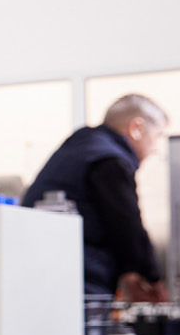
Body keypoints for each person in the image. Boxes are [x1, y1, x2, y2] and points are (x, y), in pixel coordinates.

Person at [22, 94, 170, 301]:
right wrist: (153, 279)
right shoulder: (109, 159)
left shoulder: (82, 146)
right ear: (136, 128)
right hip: (82, 277)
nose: (155, 148)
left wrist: (129, 270)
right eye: (157, 135)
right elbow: (126, 223)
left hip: (40, 269)